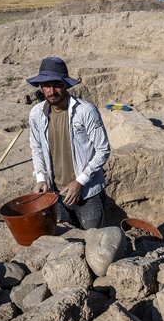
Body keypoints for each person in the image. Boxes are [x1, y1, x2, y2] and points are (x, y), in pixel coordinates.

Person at [27, 56, 110, 229]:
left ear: (65, 84)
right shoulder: (36, 113)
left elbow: (103, 149)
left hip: (87, 193)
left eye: (56, 85)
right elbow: (36, 148)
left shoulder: (85, 111)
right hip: (57, 193)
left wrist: (80, 182)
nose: (51, 91)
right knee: (70, 239)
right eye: (46, 86)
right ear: (41, 87)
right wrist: (41, 178)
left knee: (96, 240)